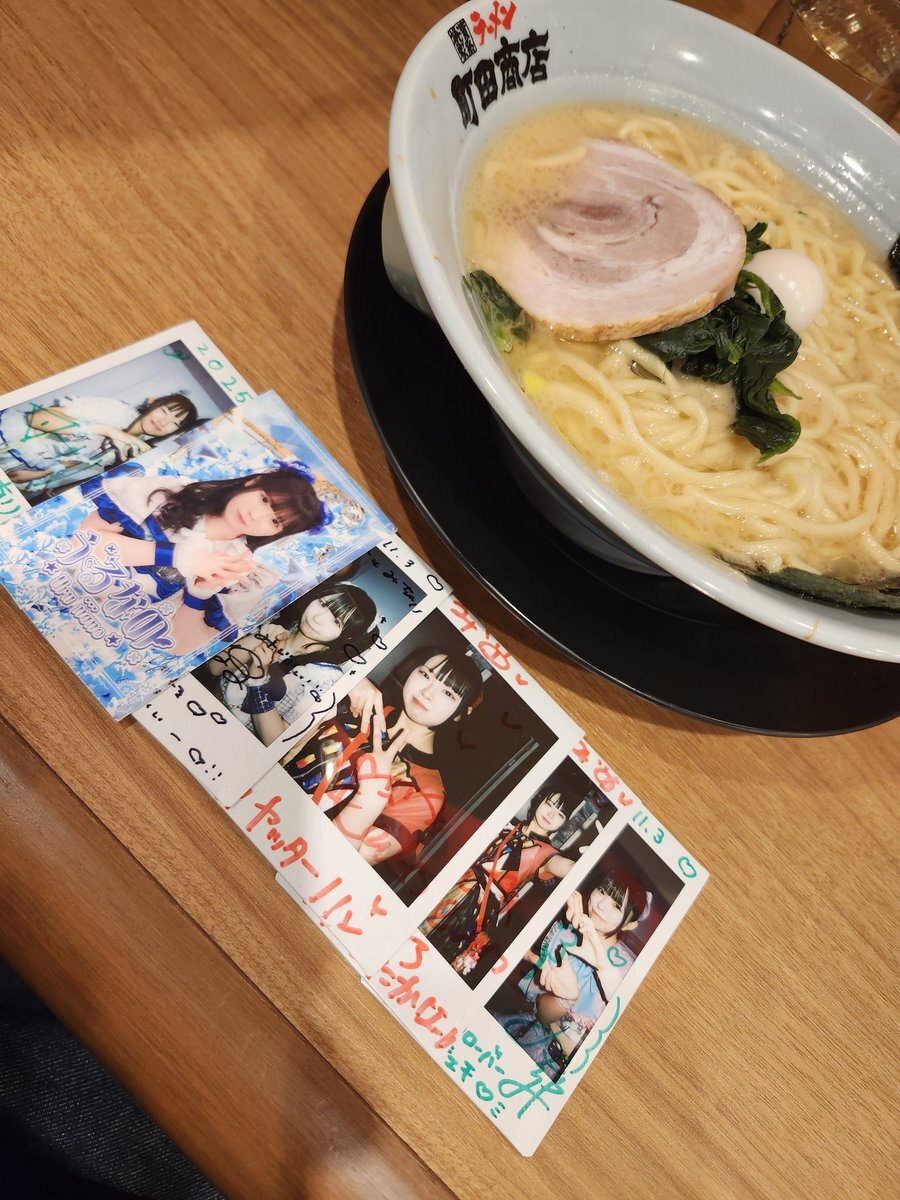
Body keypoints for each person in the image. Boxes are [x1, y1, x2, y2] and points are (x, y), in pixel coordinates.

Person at [77, 462, 325, 656]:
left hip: (107, 641)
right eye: (264, 499)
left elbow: (178, 647)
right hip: (69, 595)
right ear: (254, 481)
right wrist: (181, 557)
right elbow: (82, 542)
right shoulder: (166, 495)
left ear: (277, 533)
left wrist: (200, 594)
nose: (255, 515)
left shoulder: (239, 573)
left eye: (274, 521)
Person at [283, 645, 483, 866]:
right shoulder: (361, 704)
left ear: (462, 713)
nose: (427, 692)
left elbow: (339, 864)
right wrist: (346, 680)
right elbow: (284, 750)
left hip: (290, 854)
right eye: (425, 674)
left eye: (448, 693)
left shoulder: (428, 790)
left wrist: (371, 793)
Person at [493, 865, 650, 1080]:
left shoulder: (626, 970)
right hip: (526, 1036)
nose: (601, 905)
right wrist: (564, 999)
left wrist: (600, 967)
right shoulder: (567, 936)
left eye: (616, 906)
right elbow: (542, 1015)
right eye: (602, 891)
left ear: (629, 925)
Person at [420, 788, 593, 977]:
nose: (551, 814)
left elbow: (565, 867)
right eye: (549, 804)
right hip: (453, 887)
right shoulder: (506, 823)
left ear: (564, 822)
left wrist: (586, 860)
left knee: (437, 960)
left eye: (560, 814)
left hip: (479, 911)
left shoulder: (545, 853)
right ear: (539, 800)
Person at [204, 581, 378, 744]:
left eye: (336, 621)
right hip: (205, 707)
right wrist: (260, 638)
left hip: (231, 741)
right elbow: (214, 668)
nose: (318, 618)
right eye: (323, 604)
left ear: (347, 637)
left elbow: (276, 741)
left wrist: (258, 678)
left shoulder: (325, 677)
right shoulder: (279, 619)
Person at [0, 393, 200, 497]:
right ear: (152, 403)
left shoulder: (134, 447)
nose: (164, 422)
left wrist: (42, 473)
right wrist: (107, 430)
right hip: (13, 439)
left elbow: (79, 459)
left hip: (25, 466)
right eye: (164, 411)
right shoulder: (116, 411)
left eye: (175, 423)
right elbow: (37, 419)